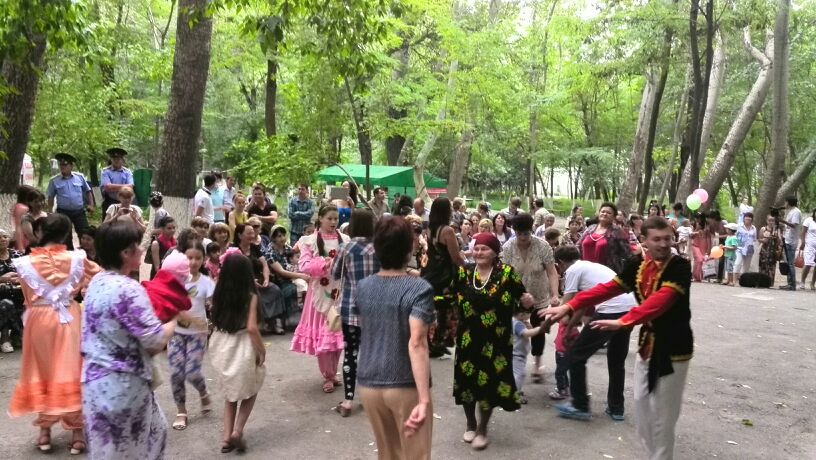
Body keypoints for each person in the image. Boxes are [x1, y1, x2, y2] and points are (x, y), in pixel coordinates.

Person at [544, 216, 693, 460]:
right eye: (657, 239)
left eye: (668, 238)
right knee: (642, 407)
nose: (664, 244)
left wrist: (625, 320)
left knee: (664, 415)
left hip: (674, 348)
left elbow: (662, 300)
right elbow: (609, 288)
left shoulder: (680, 266)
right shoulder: (638, 264)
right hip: (648, 346)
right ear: (644, 240)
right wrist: (570, 306)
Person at [81, 219, 176, 459]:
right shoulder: (128, 289)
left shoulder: (97, 282)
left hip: (95, 382)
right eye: (137, 245)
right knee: (128, 451)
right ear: (125, 253)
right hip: (122, 386)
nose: (142, 249)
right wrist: (174, 321)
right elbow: (155, 341)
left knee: (156, 431)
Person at [10, 214, 99, 454]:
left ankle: (45, 431)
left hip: (38, 320)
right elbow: (100, 276)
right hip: (69, 316)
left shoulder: (24, 263)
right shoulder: (78, 258)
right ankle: (77, 433)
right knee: (71, 371)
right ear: (66, 234)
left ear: (40, 233)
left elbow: (27, 297)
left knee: (43, 372)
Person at [355, 216, 434, 460]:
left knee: (388, 454)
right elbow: (417, 343)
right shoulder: (419, 288)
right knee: (416, 455)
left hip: (368, 382)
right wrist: (424, 400)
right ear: (409, 248)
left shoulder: (363, 286)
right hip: (404, 384)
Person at [451, 232, 534, 451]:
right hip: (468, 338)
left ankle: (482, 429)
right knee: (467, 382)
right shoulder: (464, 272)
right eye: (476, 248)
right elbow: (450, 297)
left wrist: (528, 302)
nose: (479, 252)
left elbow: (522, 301)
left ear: (495, 252)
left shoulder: (506, 273)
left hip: (496, 341)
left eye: (484, 249)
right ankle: (471, 423)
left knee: (488, 385)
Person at [545, 245, 637, 421]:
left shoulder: (572, 270)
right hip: (629, 308)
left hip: (611, 310)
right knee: (616, 360)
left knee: (575, 356)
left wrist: (550, 324)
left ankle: (580, 406)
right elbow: (583, 303)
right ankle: (616, 408)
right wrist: (570, 328)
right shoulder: (590, 267)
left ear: (560, 263)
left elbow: (567, 305)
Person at [208, 253, 266, 453]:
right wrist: (261, 350)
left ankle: (226, 438)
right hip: (243, 346)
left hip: (222, 345)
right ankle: (237, 431)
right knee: (253, 387)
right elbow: (252, 328)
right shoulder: (251, 297)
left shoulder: (219, 293)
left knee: (230, 393)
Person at [290, 205, 348, 393]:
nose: (333, 222)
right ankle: (328, 375)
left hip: (339, 293)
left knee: (337, 337)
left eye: (335, 219)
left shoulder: (345, 239)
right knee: (324, 338)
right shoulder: (309, 241)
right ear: (320, 218)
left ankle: (333, 372)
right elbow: (304, 265)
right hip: (318, 296)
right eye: (329, 218)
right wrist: (324, 263)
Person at [331, 209, 380, 417]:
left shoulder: (345, 248)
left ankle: (348, 400)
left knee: (350, 353)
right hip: (376, 309)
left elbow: (334, 274)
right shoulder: (380, 248)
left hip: (350, 308)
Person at [501, 213, 560, 384]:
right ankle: (510, 363)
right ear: (514, 231)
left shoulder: (543, 246)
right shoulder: (508, 247)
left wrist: (555, 294)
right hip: (515, 297)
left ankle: (537, 363)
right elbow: (504, 274)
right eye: (519, 233)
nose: (522, 237)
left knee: (538, 330)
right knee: (512, 330)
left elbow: (552, 272)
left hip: (539, 296)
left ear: (531, 230)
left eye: (526, 233)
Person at [169, 241, 214, 431]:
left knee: (192, 372)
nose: (193, 262)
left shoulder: (206, 282)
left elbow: (213, 305)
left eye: (198, 258)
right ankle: (181, 411)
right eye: (189, 257)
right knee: (176, 373)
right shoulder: (176, 280)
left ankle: (203, 391)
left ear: (204, 259)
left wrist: (213, 319)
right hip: (176, 333)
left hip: (198, 334)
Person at [422, 198, 466, 358]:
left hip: (430, 271)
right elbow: (455, 257)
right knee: (446, 307)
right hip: (445, 275)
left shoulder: (430, 228)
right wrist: (467, 267)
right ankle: (440, 340)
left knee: (435, 306)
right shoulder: (447, 231)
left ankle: (433, 341)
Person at [264, 225, 308, 331]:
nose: (282, 238)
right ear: (273, 238)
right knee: (293, 289)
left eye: (283, 235)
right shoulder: (270, 252)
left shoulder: (288, 248)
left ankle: (307, 318)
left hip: (293, 276)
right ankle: (281, 319)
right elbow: (281, 272)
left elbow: (297, 261)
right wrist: (301, 276)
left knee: (308, 287)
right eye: (279, 236)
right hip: (279, 280)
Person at [47, 153, 93, 239]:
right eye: (61, 165)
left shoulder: (80, 177)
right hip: (63, 213)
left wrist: (91, 205)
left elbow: (88, 191)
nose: (62, 167)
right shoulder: (54, 180)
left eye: (65, 165)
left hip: (79, 212)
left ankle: (84, 248)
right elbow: (50, 197)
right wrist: (50, 212)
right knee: (65, 237)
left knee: (84, 234)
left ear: (71, 166)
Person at [578, 202, 632, 274]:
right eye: (602, 211)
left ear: (614, 217)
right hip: (585, 272)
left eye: (608, 213)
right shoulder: (590, 228)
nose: (605, 214)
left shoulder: (618, 231)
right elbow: (578, 245)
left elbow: (627, 253)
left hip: (607, 273)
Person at [0, 228, 24, 353]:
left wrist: (19, 279)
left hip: (18, 293)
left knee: (24, 302)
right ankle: (5, 338)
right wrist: (1, 279)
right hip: (1, 297)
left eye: (5, 236)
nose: (2, 239)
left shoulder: (17, 255)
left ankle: (16, 335)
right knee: (6, 303)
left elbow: (28, 274)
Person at [511, 310, 543, 404]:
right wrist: (540, 328)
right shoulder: (518, 324)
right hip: (517, 355)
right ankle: (515, 395)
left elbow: (528, 331)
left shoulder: (514, 321)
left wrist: (530, 327)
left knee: (516, 374)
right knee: (520, 374)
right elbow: (527, 334)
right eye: (529, 313)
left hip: (516, 353)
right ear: (521, 314)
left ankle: (515, 390)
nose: (530, 315)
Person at [100, 147, 134, 214]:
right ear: (111, 159)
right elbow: (107, 187)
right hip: (110, 202)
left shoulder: (127, 172)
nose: (116, 161)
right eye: (114, 159)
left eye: (118, 159)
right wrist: (125, 187)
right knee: (108, 220)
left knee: (125, 220)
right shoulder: (105, 171)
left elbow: (131, 186)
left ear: (122, 160)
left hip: (125, 202)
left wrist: (113, 187)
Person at [779, 196, 801, 290]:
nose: (785, 204)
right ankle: (789, 283)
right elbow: (787, 226)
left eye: (786, 202)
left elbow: (794, 225)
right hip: (787, 239)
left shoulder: (796, 212)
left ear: (789, 202)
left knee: (790, 264)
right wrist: (781, 223)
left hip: (791, 241)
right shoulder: (790, 212)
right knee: (788, 263)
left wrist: (782, 221)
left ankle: (792, 285)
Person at [758, 216, 784, 286]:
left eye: (773, 220)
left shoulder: (777, 230)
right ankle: (762, 282)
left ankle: (770, 282)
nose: (771, 222)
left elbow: (780, 241)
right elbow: (759, 239)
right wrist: (764, 240)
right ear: (767, 221)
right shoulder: (763, 229)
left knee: (772, 266)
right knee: (763, 266)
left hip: (773, 251)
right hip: (764, 250)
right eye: (770, 220)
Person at [10, 185, 36, 252]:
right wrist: (20, 246)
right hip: (23, 238)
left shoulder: (18, 206)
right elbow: (18, 227)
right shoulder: (22, 208)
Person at [799, 208, 816, 290]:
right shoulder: (809, 220)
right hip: (809, 245)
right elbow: (803, 232)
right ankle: (802, 281)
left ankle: (813, 283)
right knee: (808, 263)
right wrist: (803, 242)